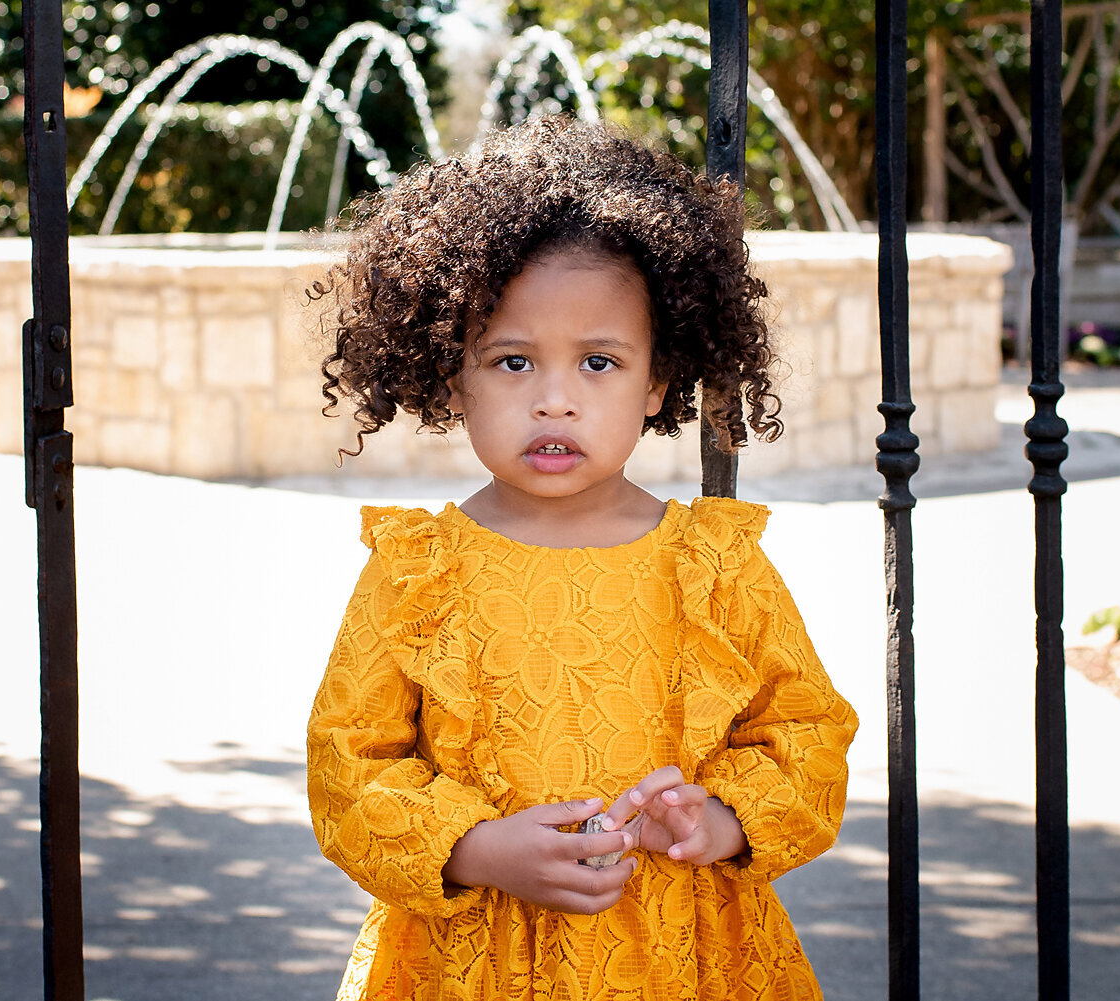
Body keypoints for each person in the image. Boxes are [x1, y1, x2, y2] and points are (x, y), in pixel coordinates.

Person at [306, 116, 858, 1001]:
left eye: (599, 361)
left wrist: (720, 818)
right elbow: (349, 764)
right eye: (513, 360)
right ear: (455, 378)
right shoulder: (417, 568)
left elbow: (807, 731)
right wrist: (475, 847)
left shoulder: (713, 562)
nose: (555, 400)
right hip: (470, 958)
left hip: (687, 954)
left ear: (656, 384)